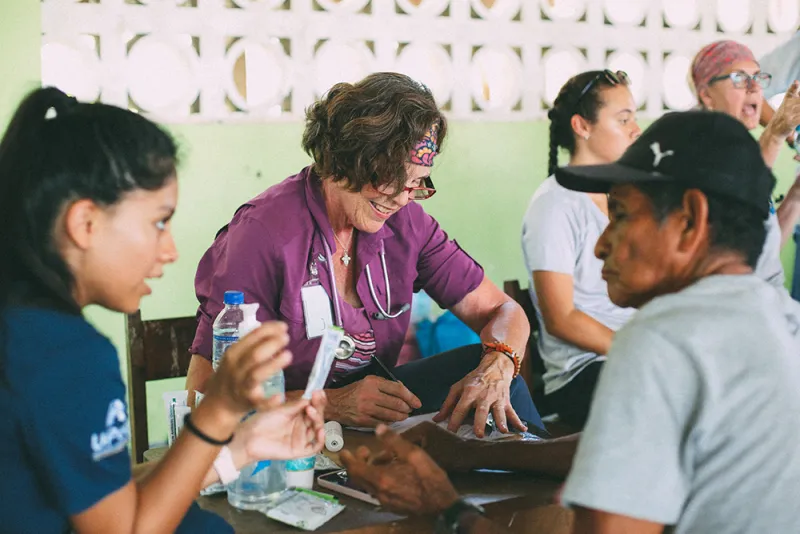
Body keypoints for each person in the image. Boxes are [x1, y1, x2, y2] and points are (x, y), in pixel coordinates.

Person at [342, 110, 800, 533]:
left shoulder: (663, 339)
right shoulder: (781, 320)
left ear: (690, 221)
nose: (601, 246)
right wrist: (470, 451)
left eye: (620, 214)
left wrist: (445, 509)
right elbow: (623, 452)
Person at [0, 87, 327, 534]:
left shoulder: (22, 325)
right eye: (158, 221)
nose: (170, 250)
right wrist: (220, 408)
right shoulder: (66, 354)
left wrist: (240, 448)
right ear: (85, 224)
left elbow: (101, 496)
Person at [185, 72, 542, 436]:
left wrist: (499, 362)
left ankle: (545, 480)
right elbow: (206, 392)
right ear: (345, 159)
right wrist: (331, 403)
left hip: (370, 422)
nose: (402, 197)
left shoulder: (407, 224)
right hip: (280, 432)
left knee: (487, 372)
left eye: (416, 183)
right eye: (390, 179)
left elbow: (503, 310)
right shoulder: (263, 233)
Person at [522, 70, 641, 428]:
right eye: (624, 119)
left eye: (634, 117)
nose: (637, 129)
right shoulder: (554, 205)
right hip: (583, 373)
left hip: (631, 355)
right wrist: (638, 352)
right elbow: (561, 318)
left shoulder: (629, 195)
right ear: (582, 126)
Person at [690, 40, 800, 281]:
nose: (753, 88)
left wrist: (796, 196)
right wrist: (776, 133)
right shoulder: (694, 156)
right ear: (706, 94)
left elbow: (764, 252)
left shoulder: (744, 152)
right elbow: (734, 229)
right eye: (739, 79)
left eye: (758, 78)